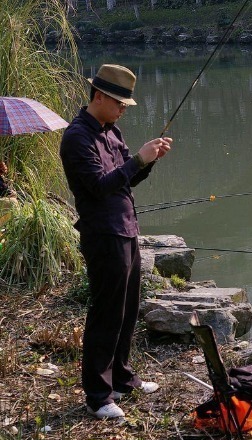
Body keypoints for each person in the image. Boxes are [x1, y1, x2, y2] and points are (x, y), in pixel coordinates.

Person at [60, 64, 173, 419]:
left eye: (126, 104)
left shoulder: (112, 131)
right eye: (119, 102)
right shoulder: (77, 137)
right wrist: (137, 159)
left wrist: (148, 162)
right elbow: (98, 185)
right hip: (102, 233)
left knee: (126, 309)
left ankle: (122, 378)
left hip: (126, 228)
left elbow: (125, 180)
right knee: (105, 312)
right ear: (99, 96)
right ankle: (98, 395)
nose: (123, 108)